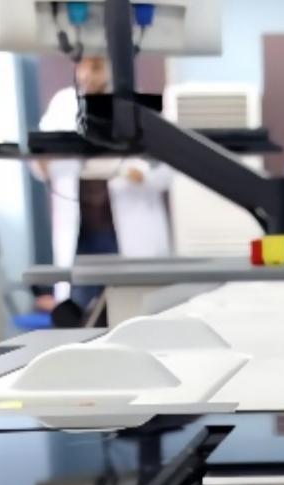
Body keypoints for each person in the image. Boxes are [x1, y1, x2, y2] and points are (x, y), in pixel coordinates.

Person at [33, 55, 175, 310]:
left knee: (132, 309)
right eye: (82, 66)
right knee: (82, 312)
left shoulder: (136, 104)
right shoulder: (63, 104)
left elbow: (166, 169)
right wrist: (40, 160)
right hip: (81, 236)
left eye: (96, 67)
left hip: (126, 233)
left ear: (111, 67)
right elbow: (41, 163)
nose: (87, 75)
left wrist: (138, 172)